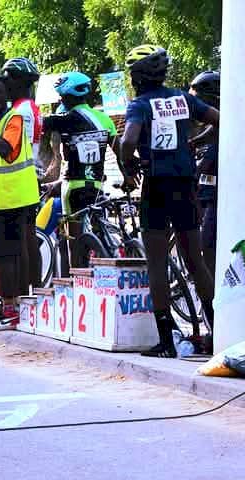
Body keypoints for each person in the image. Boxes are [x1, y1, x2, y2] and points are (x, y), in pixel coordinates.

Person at [120, 45, 219, 358]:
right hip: (186, 186)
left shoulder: (140, 105)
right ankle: (218, 330)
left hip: (157, 187)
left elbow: (128, 141)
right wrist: (195, 142)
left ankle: (165, 340)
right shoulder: (183, 98)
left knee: (157, 263)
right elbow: (220, 120)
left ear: (136, 76)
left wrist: (131, 164)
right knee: (196, 260)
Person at [40, 71, 122, 273]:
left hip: (73, 187)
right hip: (96, 187)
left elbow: (38, 127)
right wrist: (128, 176)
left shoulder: (62, 119)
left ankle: (76, 284)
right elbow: (121, 155)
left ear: (66, 97)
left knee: (72, 243)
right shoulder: (105, 119)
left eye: (61, 97)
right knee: (96, 229)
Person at [0, 74, 41, 325]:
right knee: (14, 252)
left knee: (7, 253)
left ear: (7, 95)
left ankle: (13, 306)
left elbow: (6, 151)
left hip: (15, 198)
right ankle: (20, 303)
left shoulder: (12, 119)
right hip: (4, 198)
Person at [0, 58, 43, 294]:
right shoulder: (27, 107)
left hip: (20, 179)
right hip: (25, 178)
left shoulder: (22, 110)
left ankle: (29, 293)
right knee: (27, 238)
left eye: (7, 80)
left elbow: (15, 149)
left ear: (17, 81)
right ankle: (31, 291)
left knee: (23, 240)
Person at [189, 70, 220, 283]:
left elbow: (212, 152)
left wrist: (196, 171)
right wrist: (193, 143)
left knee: (207, 242)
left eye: (201, 101)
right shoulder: (217, 121)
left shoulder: (232, 118)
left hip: (222, 195)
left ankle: (215, 290)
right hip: (210, 190)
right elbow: (213, 131)